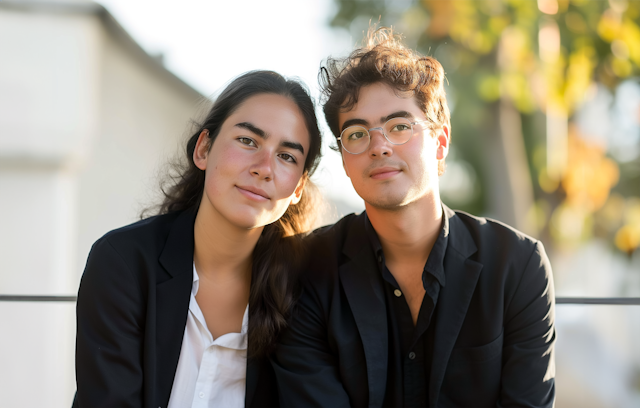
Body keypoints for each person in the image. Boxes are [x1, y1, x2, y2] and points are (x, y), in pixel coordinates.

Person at [272, 28, 556, 408]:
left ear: (440, 143)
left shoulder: (518, 266)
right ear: (345, 160)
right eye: (357, 134)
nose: (379, 145)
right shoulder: (305, 268)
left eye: (399, 126)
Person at [74, 70, 322, 408]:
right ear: (204, 149)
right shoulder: (124, 263)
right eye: (248, 141)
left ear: (298, 188)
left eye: (287, 156)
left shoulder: (307, 290)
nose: (265, 167)